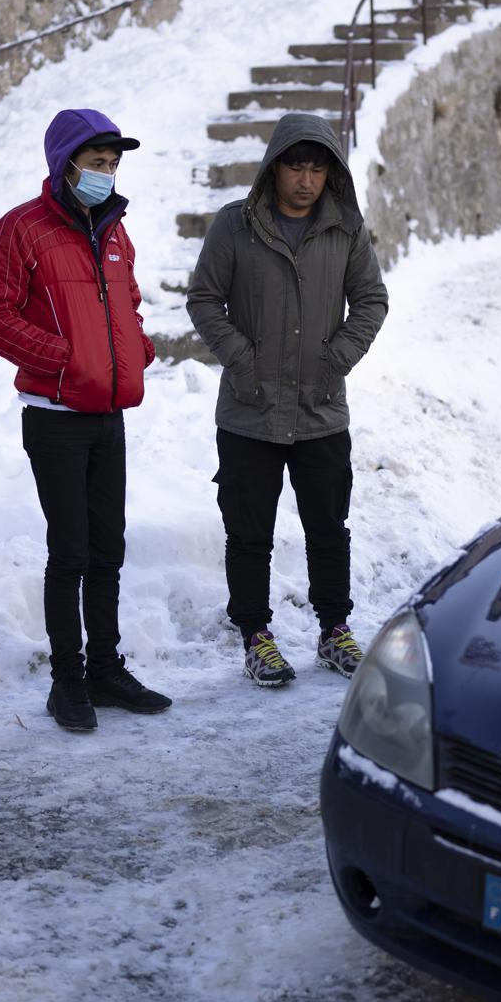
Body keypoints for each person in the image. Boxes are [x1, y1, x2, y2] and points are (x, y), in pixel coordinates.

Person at [0, 108, 169, 732]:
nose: (106, 175)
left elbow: (127, 301)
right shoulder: (21, 230)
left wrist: (135, 346)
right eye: (96, 163)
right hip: (55, 416)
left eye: (113, 165)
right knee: (72, 551)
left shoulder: (115, 232)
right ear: (66, 164)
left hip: (109, 412)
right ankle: (67, 680)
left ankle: (107, 669)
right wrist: (62, 357)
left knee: (109, 547)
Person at [186, 113, 389, 687]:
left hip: (320, 410)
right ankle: (255, 635)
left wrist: (336, 361)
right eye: (296, 166)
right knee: (248, 530)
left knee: (329, 526)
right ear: (275, 168)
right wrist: (242, 361)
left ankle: (334, 630)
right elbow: (204, 299)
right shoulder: (235, 226)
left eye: (317, 168)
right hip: (249, 411)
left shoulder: (346, 229)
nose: (306, 179)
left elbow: (371, 301)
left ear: (331, 173)